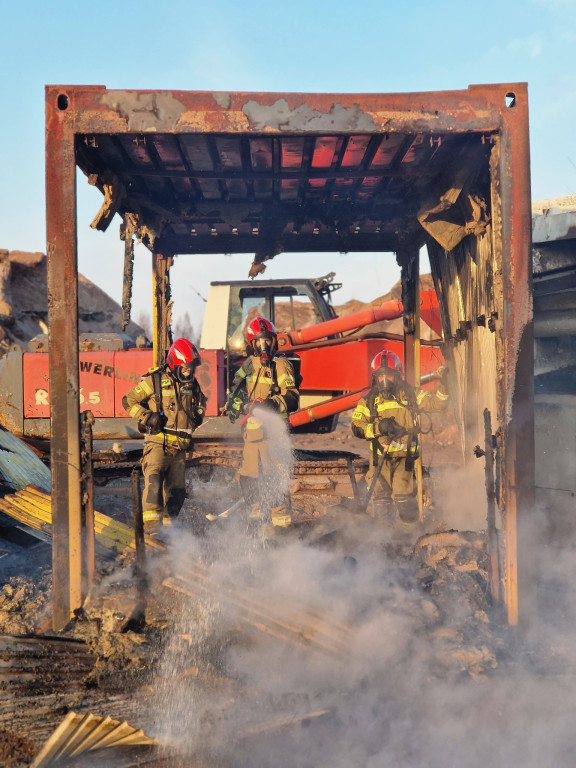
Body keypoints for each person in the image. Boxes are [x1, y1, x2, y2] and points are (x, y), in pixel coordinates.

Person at [351, 349, 448, 523]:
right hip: (379, 459)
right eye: (381, 376)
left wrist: (445, 385)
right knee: (381, 503)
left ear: (397, 375)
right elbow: (357, 428)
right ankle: (386, 542)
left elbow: (437, 405)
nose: (385, 381)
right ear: (375, 377)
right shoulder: (368, 401)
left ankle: (409, 540)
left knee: (404, 501)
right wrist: (379, 427)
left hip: (406, 460)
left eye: (389, 375)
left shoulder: (411, 395)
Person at [123, 338, 207, 537]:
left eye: (191, 367)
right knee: (153, 485)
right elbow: (128, 400)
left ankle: (170, 534)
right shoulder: (155, 381)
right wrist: (146, 416)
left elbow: (200, 404)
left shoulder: (191, 384)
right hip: (158, 443)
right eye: (186, 367)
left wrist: (198, 415)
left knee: (177, 493)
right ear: (175, 364)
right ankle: (152, 533)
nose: (189, 371)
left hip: (179, 448)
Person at [227, 316, 299, 529]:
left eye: (267, 340)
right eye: (258, 341)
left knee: (275, 483)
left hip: (274, 435)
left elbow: (293, 397)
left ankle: (282, 531)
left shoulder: (281, 364)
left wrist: (271, 403)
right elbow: (237, 387)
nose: (263, 345)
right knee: (249, 481)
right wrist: (235, 403)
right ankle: (256, 530)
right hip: (252, 436)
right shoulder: (249, 364)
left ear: (273, 341)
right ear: (252, 344)